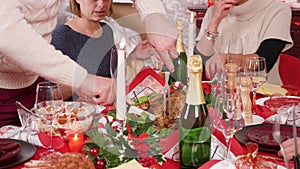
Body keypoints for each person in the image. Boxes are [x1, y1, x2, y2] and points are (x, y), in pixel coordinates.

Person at [0, 0, 114, 127]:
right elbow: (5, 29)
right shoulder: (63, 35)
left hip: (33, 84)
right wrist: (82, 80)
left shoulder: (106, 30)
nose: (101, 4)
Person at [194, 0, 293, 84]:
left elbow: (265, 61)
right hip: (220, 97)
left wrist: (228, 59)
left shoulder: (277, 9)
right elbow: (200, 60)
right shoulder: (213, 11)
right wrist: (215, 21)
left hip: (261, 97)